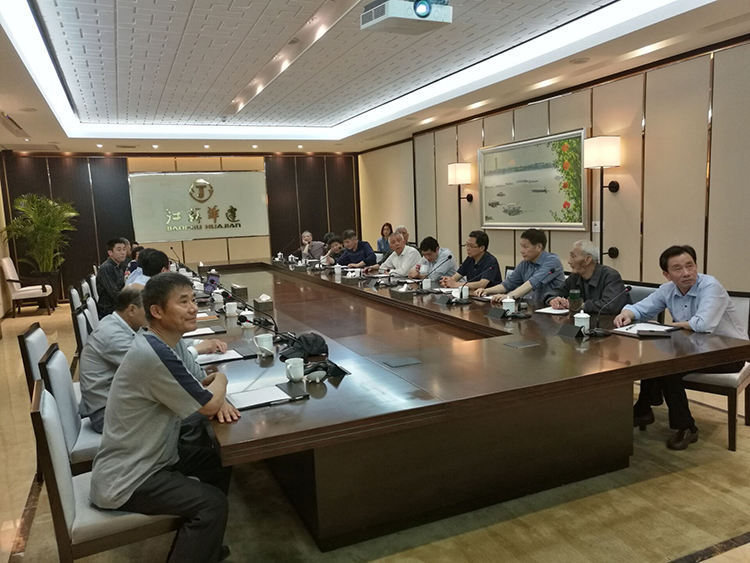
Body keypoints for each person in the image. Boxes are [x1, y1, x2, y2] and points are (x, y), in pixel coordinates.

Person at [90, 273, 238, 563]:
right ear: (156, 311)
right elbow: (208, 401)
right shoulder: (153, 354)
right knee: (212, 504)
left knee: (218, 460)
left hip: (155, 455)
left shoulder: (169, 342)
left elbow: (199, 384)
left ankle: (202, 547)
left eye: (193, 300)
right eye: (183, 302)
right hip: (129, 477)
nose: (193, 308)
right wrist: (221, 380)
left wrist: (212, 395)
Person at [614, 245, 747, 450]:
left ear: (696, 266)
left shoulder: (710, 286)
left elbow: (702, 324)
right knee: (652, 358)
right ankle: (644, 409)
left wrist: (669, 326)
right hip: (693, 349)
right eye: (678, 268)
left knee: (669, 368)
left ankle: (686, 427)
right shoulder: (667, 289)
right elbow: (641, 308)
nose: (686, 273)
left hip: (729, 353)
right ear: (667, 274)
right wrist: (627, 314)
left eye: (690, 265)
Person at [79, 285, 228, 433]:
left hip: (128, 404)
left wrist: (197, 343)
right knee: (205, 417)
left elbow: (163, 344)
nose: (153, 313)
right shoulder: (112, 336)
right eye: (148, 307)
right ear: (131, 310)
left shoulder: (122, 324)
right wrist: (215, 395)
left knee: (202, 408)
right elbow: (164, 362)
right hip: (107, 415)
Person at [476, 229, 564, 303]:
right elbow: (507, 284)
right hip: (529, 308)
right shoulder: (525, 263)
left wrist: (509, 296)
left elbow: (532, 283)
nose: (521, 250)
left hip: (549, 309)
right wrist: (487, 290)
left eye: (525, 247)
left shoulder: (552, 261)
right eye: (521, 246)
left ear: (538, 247)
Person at [545, 240, 630, 313]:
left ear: (588, 259)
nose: (569, 261)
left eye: (573, 256)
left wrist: (579, 305)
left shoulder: (610, 276)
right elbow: (556, 291)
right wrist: (553, 299)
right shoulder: (575, 276)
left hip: (610, 323)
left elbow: (610, 306)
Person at [96, 238, 128, 318]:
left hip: (116, 306)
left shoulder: (119, 265)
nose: (123, 252)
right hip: (109, 310)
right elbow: (114, 294)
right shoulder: (106, 268)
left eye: (124, 249)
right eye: (119, 250)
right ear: (110, 253)